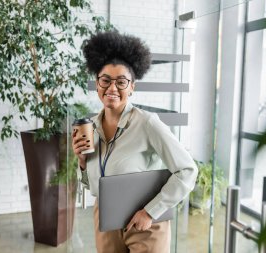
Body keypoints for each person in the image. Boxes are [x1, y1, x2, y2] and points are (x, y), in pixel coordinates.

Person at [72, 31, 198, 253]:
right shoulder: (90, 127)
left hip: (145, 223)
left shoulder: (147, 123)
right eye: (105, 80)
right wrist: (82, 162)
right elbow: (92, 186)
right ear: (97, 83)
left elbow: (188, 170)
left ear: (132, 87)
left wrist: (151, 211)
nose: (112, 88)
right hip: (106, 220)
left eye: (121, 82)